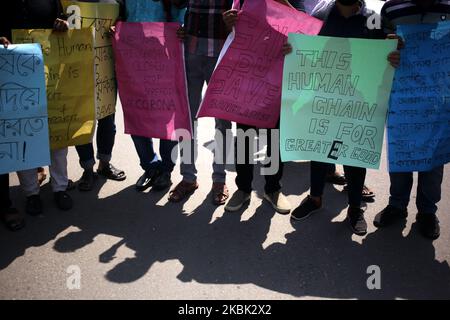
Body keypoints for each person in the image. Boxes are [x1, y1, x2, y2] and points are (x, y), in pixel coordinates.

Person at [289, 0, 400, 235]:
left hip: (358, 100)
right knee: (320, 148)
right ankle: (315, 198)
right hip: (324, 96)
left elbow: (389, 53)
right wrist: (292, 50)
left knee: (354, 152)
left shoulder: (375, 20)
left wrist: (394, 54)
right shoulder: (320, 14)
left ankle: (354, 207)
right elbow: (305, 50)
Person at [374, 0, 450, 240]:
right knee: (401, 157)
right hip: (402, 95)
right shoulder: (390, 9)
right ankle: (397, 205)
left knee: (433, 162)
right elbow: (377, 43)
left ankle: (427, 212)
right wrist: (385, 47)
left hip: (439, 99)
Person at [222, 0, 300, 214]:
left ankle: (273, 189)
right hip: (248, 79)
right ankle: (243, 189)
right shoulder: (244, 1)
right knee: (245, 137)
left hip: (278, 78)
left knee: (274, 139)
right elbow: (233, 32)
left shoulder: (290, 3)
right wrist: (229, 22)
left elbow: (304, 26)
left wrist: (294, 43)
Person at [0, 0, 73, 216]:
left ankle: (60, 186)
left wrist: (63, 24)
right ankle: (31, 193)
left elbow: (63, 19)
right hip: (14, 75)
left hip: (50, 71)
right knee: (24, 135)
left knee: (57, 134)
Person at [115, 0, 185, 193]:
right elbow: (120, 14)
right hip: (132, 57)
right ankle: (149, 166)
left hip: (163, 55)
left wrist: (182, 29)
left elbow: (182, 13)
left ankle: (166, 170)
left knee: (167, 116)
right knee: (136, 111)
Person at [168, 0, 233, 205]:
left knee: (223, 123)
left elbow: (248, 13)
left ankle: (219, 180)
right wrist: (176, 28)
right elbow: (176, 4)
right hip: (190, 52)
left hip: (223, 55)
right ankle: (188, 178)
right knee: (187, 118)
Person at [72, 0, 126, 191]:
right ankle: (88, 168)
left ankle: (104, 163)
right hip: (78, 69)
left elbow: (124, 21)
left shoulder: (116, 2)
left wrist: (118, 25)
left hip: (107, 68)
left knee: (107, 120)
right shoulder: (69, 3)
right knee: (82, 120)